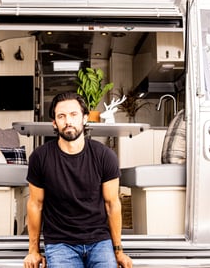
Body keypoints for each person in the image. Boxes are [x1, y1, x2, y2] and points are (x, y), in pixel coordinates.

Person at [23, 92, 133, 268]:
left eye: (74, 115)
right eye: (61, 116)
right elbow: (35, 204)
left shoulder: (105, 156)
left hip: (99, 241)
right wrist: (33, 250)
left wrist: (118, 250)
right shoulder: (40, 157)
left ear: (84, 118)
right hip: (60, 243)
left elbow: (112, 204)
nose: (68, 121)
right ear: (54, 123)